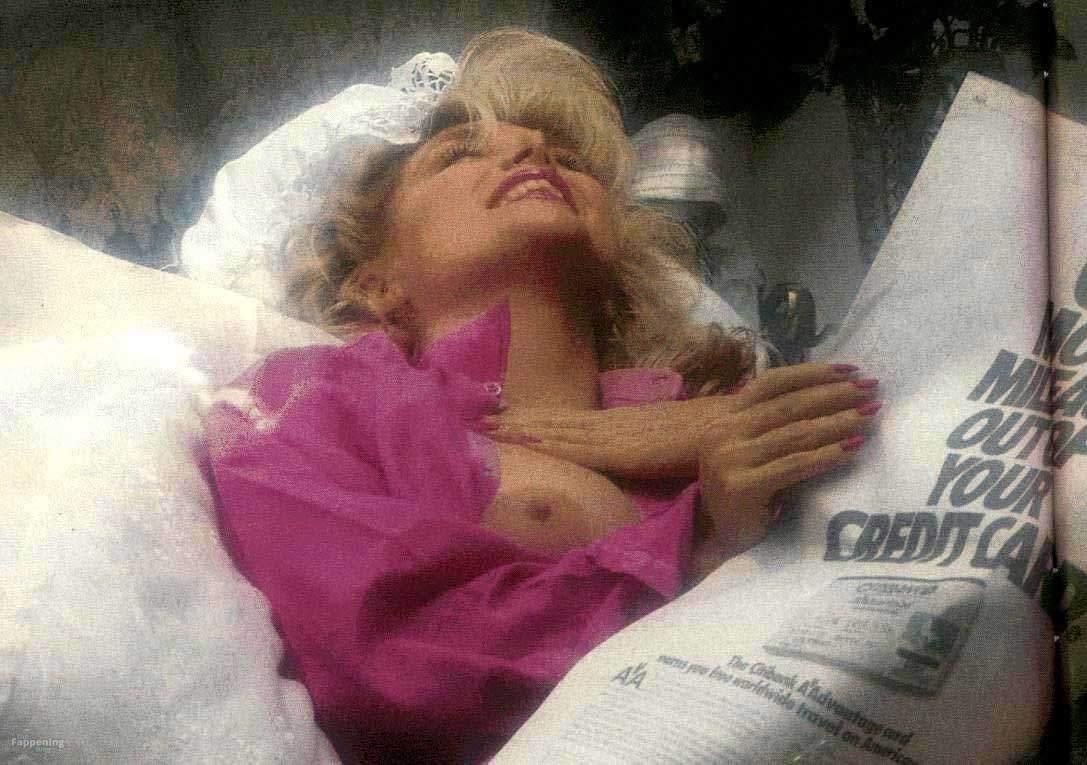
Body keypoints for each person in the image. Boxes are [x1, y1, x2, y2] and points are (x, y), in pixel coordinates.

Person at [203, 28, 879, 764]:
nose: (531, 151)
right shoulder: (309, 400)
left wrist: (722, 432)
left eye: (567, 158)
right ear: (375, 282)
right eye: (459, 153)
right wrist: (702, 546)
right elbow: (386, 664)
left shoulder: (727, 404)